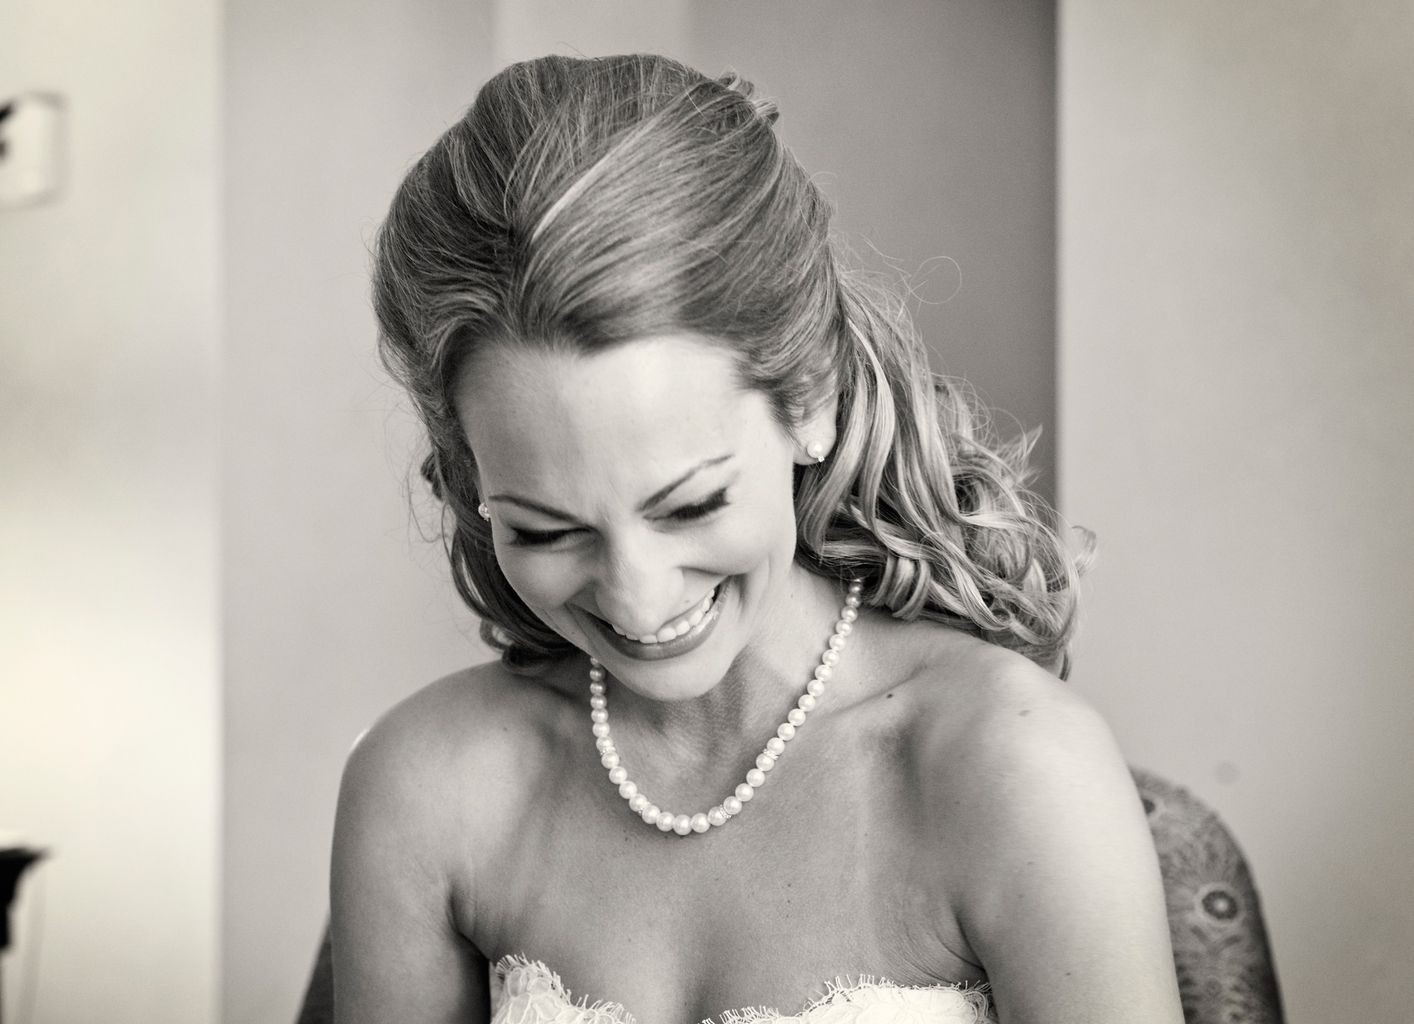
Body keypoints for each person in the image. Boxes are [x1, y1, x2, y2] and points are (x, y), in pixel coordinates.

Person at [332, 53, 1184, 1024]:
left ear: (809, 398)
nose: (637, 595)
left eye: (689, 505)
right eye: (548, 528)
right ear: (470, 480)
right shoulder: (427, 785)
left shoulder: (1013, 767)